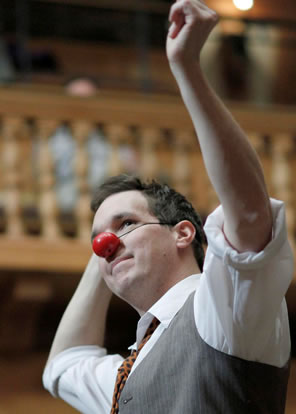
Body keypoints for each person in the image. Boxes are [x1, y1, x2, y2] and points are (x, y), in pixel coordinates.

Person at [43, 1, 294, 413]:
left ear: (182, 232)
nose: (105, 242)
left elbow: (250, 215)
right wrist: (106, 247)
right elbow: (62, 366)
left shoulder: (223, 311)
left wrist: (187, 69)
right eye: (99, 238)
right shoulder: (130, 368)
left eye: (126, 223)